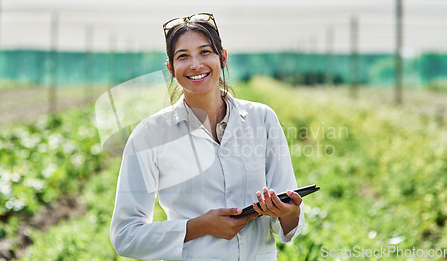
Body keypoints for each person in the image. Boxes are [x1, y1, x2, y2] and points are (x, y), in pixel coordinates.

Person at [110, 13, 304, 261]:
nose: (195, 64)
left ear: (222, 58)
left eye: (204, 52)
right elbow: (126, 236)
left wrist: (288, 213)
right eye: (183, 56)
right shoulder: (150, 135)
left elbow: (288, 226)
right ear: (171, 68)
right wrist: (198, 227)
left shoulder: (262, 119)